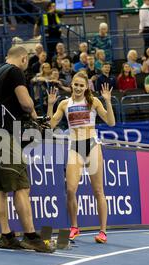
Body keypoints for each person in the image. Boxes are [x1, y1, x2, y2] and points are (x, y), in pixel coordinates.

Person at [0, 46, 53, 253]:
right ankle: (30, 236)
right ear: (23, 59)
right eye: (26, 63)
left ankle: (6, 236)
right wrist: (33, 112)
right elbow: (26, 104)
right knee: (22, 186)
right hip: (4, 137)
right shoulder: (14, 72)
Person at [46, 73, 116, 244]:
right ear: (71, 86)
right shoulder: (64, 104)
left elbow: (111, 122)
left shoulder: (93, 102)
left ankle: (102, 232)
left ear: (86, 87)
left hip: (91, 145)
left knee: (98, 191)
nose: (78, 88)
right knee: (70, 189)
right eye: (75, 85)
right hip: (75, 147)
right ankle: (74, 227)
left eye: (81, 85)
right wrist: (50, 105)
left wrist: (107, 100)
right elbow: (50, 125)